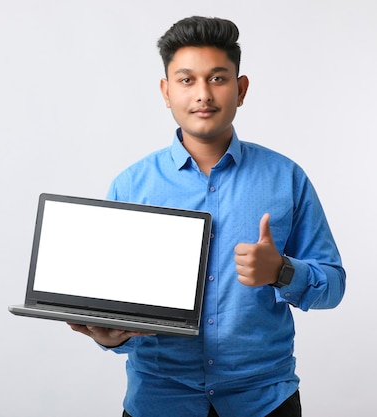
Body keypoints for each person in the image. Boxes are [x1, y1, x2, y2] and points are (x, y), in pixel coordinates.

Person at [68, 16, 346, 417]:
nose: (203, 94)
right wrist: (112, 336)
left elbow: (333, 284)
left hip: (264, 401)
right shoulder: (131, 186)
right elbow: (116, 311)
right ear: (166, 91)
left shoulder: (286, 178)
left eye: (218, 78)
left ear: (241, 88)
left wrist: (282, 271)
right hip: (160, 401)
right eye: (186, 80)